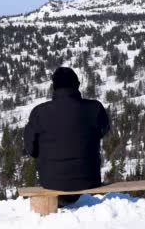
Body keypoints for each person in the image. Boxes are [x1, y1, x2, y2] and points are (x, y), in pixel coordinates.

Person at [23, 67, 110, 207]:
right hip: (88, 179)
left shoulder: (39, 113)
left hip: (51, 181)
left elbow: (31, 148)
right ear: (77, 85)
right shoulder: (94, 108)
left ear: (54, 87)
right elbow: (103, 131)